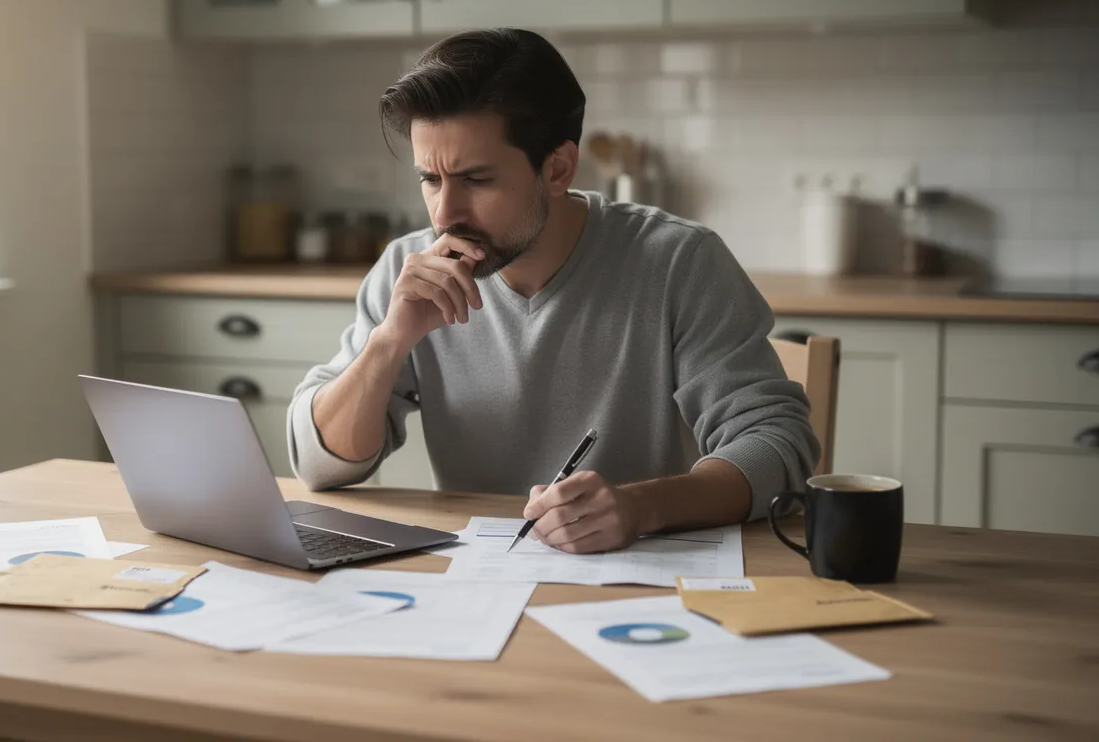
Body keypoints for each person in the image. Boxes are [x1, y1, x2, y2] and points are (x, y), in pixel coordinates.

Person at [285, 28, 819, 554]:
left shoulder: (678, 261)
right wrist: (390, 340)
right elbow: (317, 465)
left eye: (476, 180)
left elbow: (778, 445)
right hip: (475, 585)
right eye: (430, 179)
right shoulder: (409, 272)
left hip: (641, 584)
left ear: (558, 167)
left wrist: (641, 507)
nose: (445, 214)